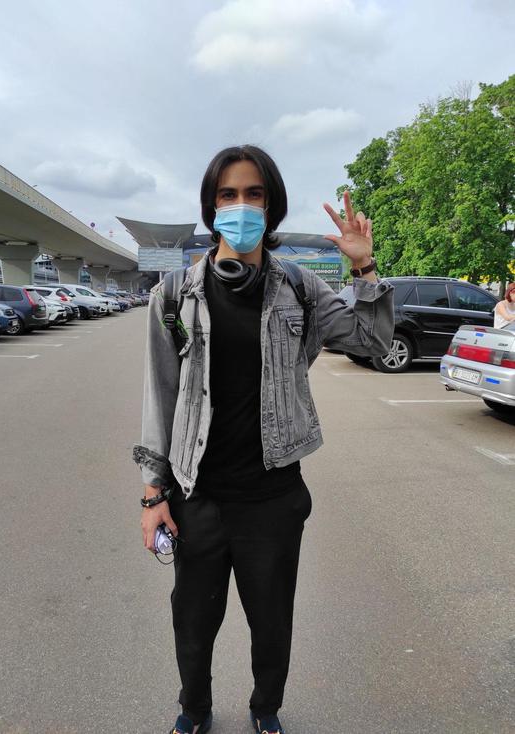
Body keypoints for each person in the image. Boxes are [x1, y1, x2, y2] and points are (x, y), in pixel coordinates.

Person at [133, 145, 394, 734]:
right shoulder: (172, 295)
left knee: (272, 623)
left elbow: (373, 343)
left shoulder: (299, 287)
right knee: (193, 622)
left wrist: (364, 269)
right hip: (197, 496)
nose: (241, 205)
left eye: (254, 194)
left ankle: (265, 709)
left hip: (273, 497)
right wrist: (154, 494)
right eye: (228, 194)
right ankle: (194, 709)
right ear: (211, 206)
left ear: (271, 206)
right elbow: (161, 396)